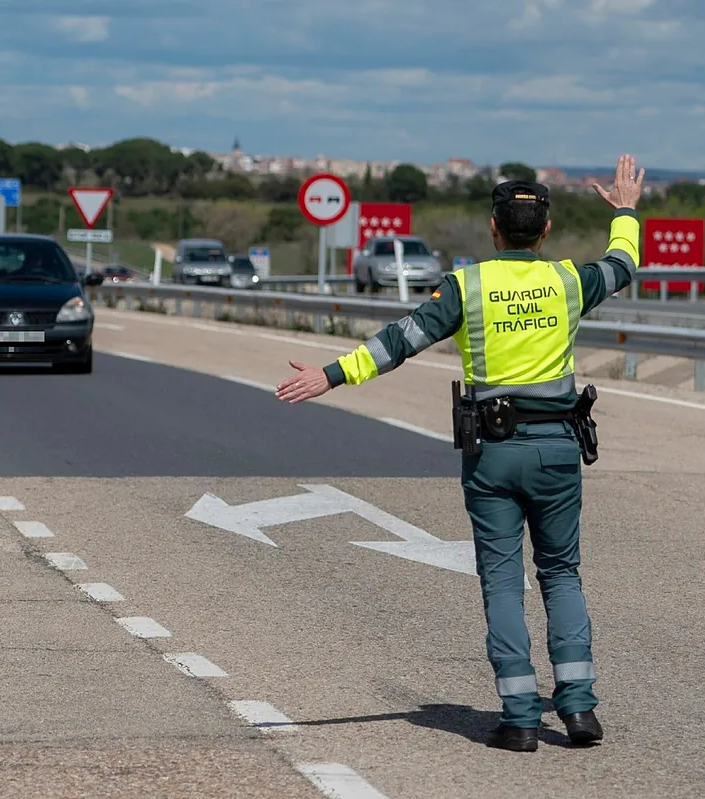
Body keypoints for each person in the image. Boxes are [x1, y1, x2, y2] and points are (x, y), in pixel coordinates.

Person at [275, 154, 645, 752]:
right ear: (546, 231)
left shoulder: (467, 287)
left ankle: (520, 718)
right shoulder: (569, 282)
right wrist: (625, 211)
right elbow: (623, 263)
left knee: (502, 580)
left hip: (493, 452)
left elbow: (401, 341)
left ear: (493, 228)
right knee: (560, 573)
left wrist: (332, 374)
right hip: (557, 450)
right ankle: (578, 709)